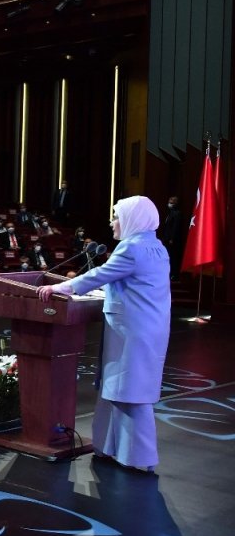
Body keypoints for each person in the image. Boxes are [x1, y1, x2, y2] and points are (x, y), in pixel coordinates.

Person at [38, 196, 171, 473]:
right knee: (120, 391)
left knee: (129, 393)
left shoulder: (131, 248)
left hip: (131, 333)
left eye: (117, 217)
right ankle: (110, 449)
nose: (112, 222)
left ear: (132, 219)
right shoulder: (156, 247)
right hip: (147, 329)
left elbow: (99, 274)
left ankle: (138, 458)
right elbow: (131, 285)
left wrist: (61, 288)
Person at [159, 196, 184, 278]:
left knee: (172, 257)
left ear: (175, 203)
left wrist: (172, 238)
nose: (169, 203)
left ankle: (174, 274)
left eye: (171, 202)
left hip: (172, 240)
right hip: (166, 239)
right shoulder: (169, 213)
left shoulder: (177, 213)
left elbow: (175, 227)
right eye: (169, 201)